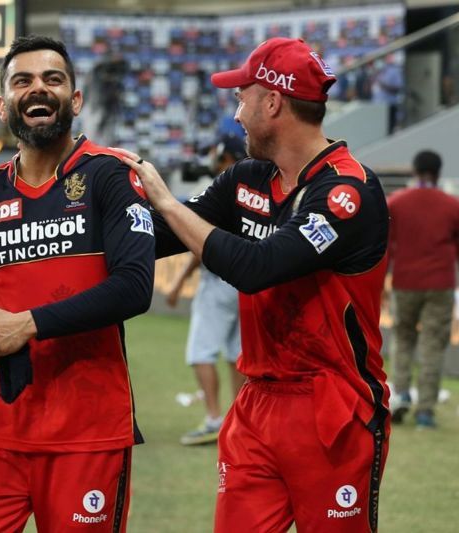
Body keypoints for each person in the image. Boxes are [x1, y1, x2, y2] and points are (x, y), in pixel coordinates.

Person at [118, 38, 390, 532]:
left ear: (272, 102)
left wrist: (167, 200)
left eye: (241, 98)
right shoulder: (248, 179)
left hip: (334, 408)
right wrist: (80, 213)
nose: (236, 114)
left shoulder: (348, 191)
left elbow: (258, 266)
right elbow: (159, 236)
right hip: (257, 404)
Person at [0, 35, 155, 532]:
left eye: (52, 79)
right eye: (23, 81)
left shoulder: (109, 176)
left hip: (89, 432)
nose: (37, 89)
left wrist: (26, 324)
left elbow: (134, 287)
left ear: (75, 100)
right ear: (4, 105)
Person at [165, 135, 246, 446]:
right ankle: (241, 421)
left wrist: (180, 281)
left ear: (226, 157)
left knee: (201, 351)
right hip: (248, 281)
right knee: (238, 353)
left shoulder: (221, 191)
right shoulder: (257, 188)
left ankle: (215, 418)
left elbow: (203, 244)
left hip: (218, 281)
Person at [387, 150, 459, 429]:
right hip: (440, 283)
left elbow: (386, 246)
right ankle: (425, 411)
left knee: (403, 338)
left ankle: (402, 394)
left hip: (405, 281)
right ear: (438, 173)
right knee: (432, 344)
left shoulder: (397, 203)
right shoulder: (451, 206)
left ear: (414, 171)